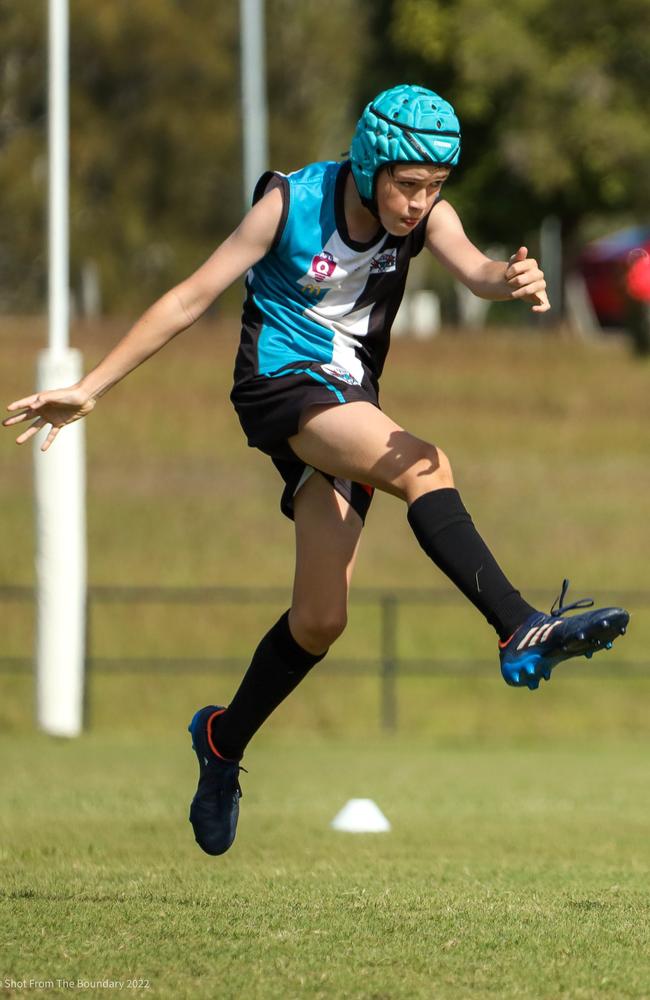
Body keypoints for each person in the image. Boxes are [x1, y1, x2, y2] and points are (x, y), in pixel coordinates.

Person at [3, 85, 629, 856]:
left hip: (347, 402)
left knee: (320, 620)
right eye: (407, 185)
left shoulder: (430, 215)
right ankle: (519, 627)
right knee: (425, 464)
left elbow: (476, 270)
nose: (419, 201)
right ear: (370, 165)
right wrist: (89, 387)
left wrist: (512, 280)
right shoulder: (288, 202)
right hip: (281, 387)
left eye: (433, 187)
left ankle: (221, 742)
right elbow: (192, 295)